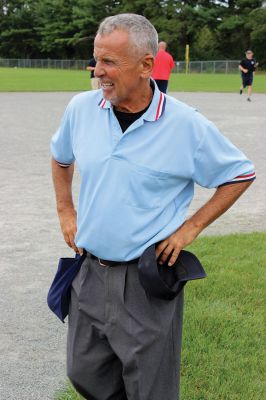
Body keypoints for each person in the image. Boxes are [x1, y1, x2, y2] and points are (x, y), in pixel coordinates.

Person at [50, 13, 256, 400]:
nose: (98, 72)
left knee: (151, 388)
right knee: (84, 371)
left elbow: (240, 174)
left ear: (147, 65)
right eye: (97, 59)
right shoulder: (81, 108)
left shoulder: (185, 125)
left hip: (145, 280)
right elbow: (60, 158)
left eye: (110, 62)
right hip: (90, 271)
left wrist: (189, 228)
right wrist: (66, 211)